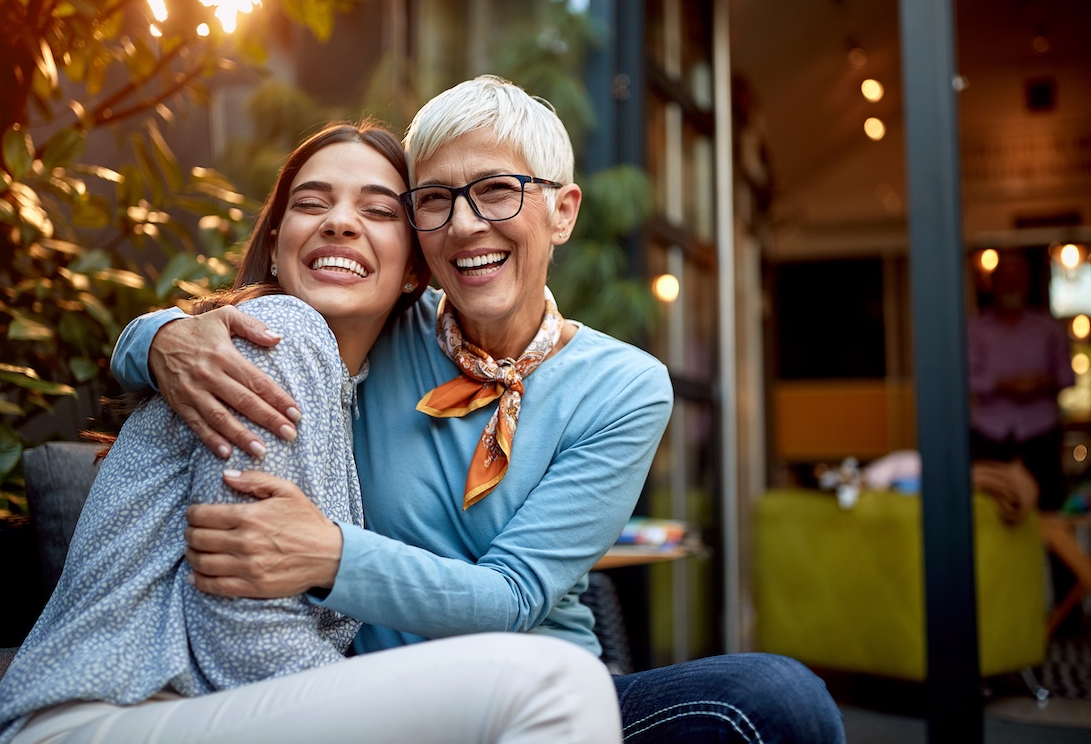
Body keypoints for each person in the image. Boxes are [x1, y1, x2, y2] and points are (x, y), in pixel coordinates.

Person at [113, 76, 846, 742]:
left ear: (562, 211)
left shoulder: (625, 387)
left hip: (552, 695)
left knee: (775, 699)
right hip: (380, 700)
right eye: (434, 200)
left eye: (496, 190)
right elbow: (263, 322)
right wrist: (157, 339)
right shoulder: (377, 330)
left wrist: (330, 554)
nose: (465, 226)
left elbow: (516, 595)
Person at [0, 121, 623, 744]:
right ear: (274, 240)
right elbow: (244, 639)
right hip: (110, 716)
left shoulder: (355, 390)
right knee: (558, 685)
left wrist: (148, 335)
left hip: (195, 711)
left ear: (417, 268)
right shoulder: (282, 335)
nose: (339, 223)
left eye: (380, 211)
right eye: (310, 203)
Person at [968, 249, 1075, 511]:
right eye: (1005, 280)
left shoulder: (1047, 328)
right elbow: (966, 380)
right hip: (990, 432)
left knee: (1047, 506)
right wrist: (1003, 385)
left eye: (1017, 280)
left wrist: (1040, 383)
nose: (1011, 287)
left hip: (1040, 429)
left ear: (1027, 283)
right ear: (992, 285)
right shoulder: (976, 330)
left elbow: (1067, 377)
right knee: (988, 505)